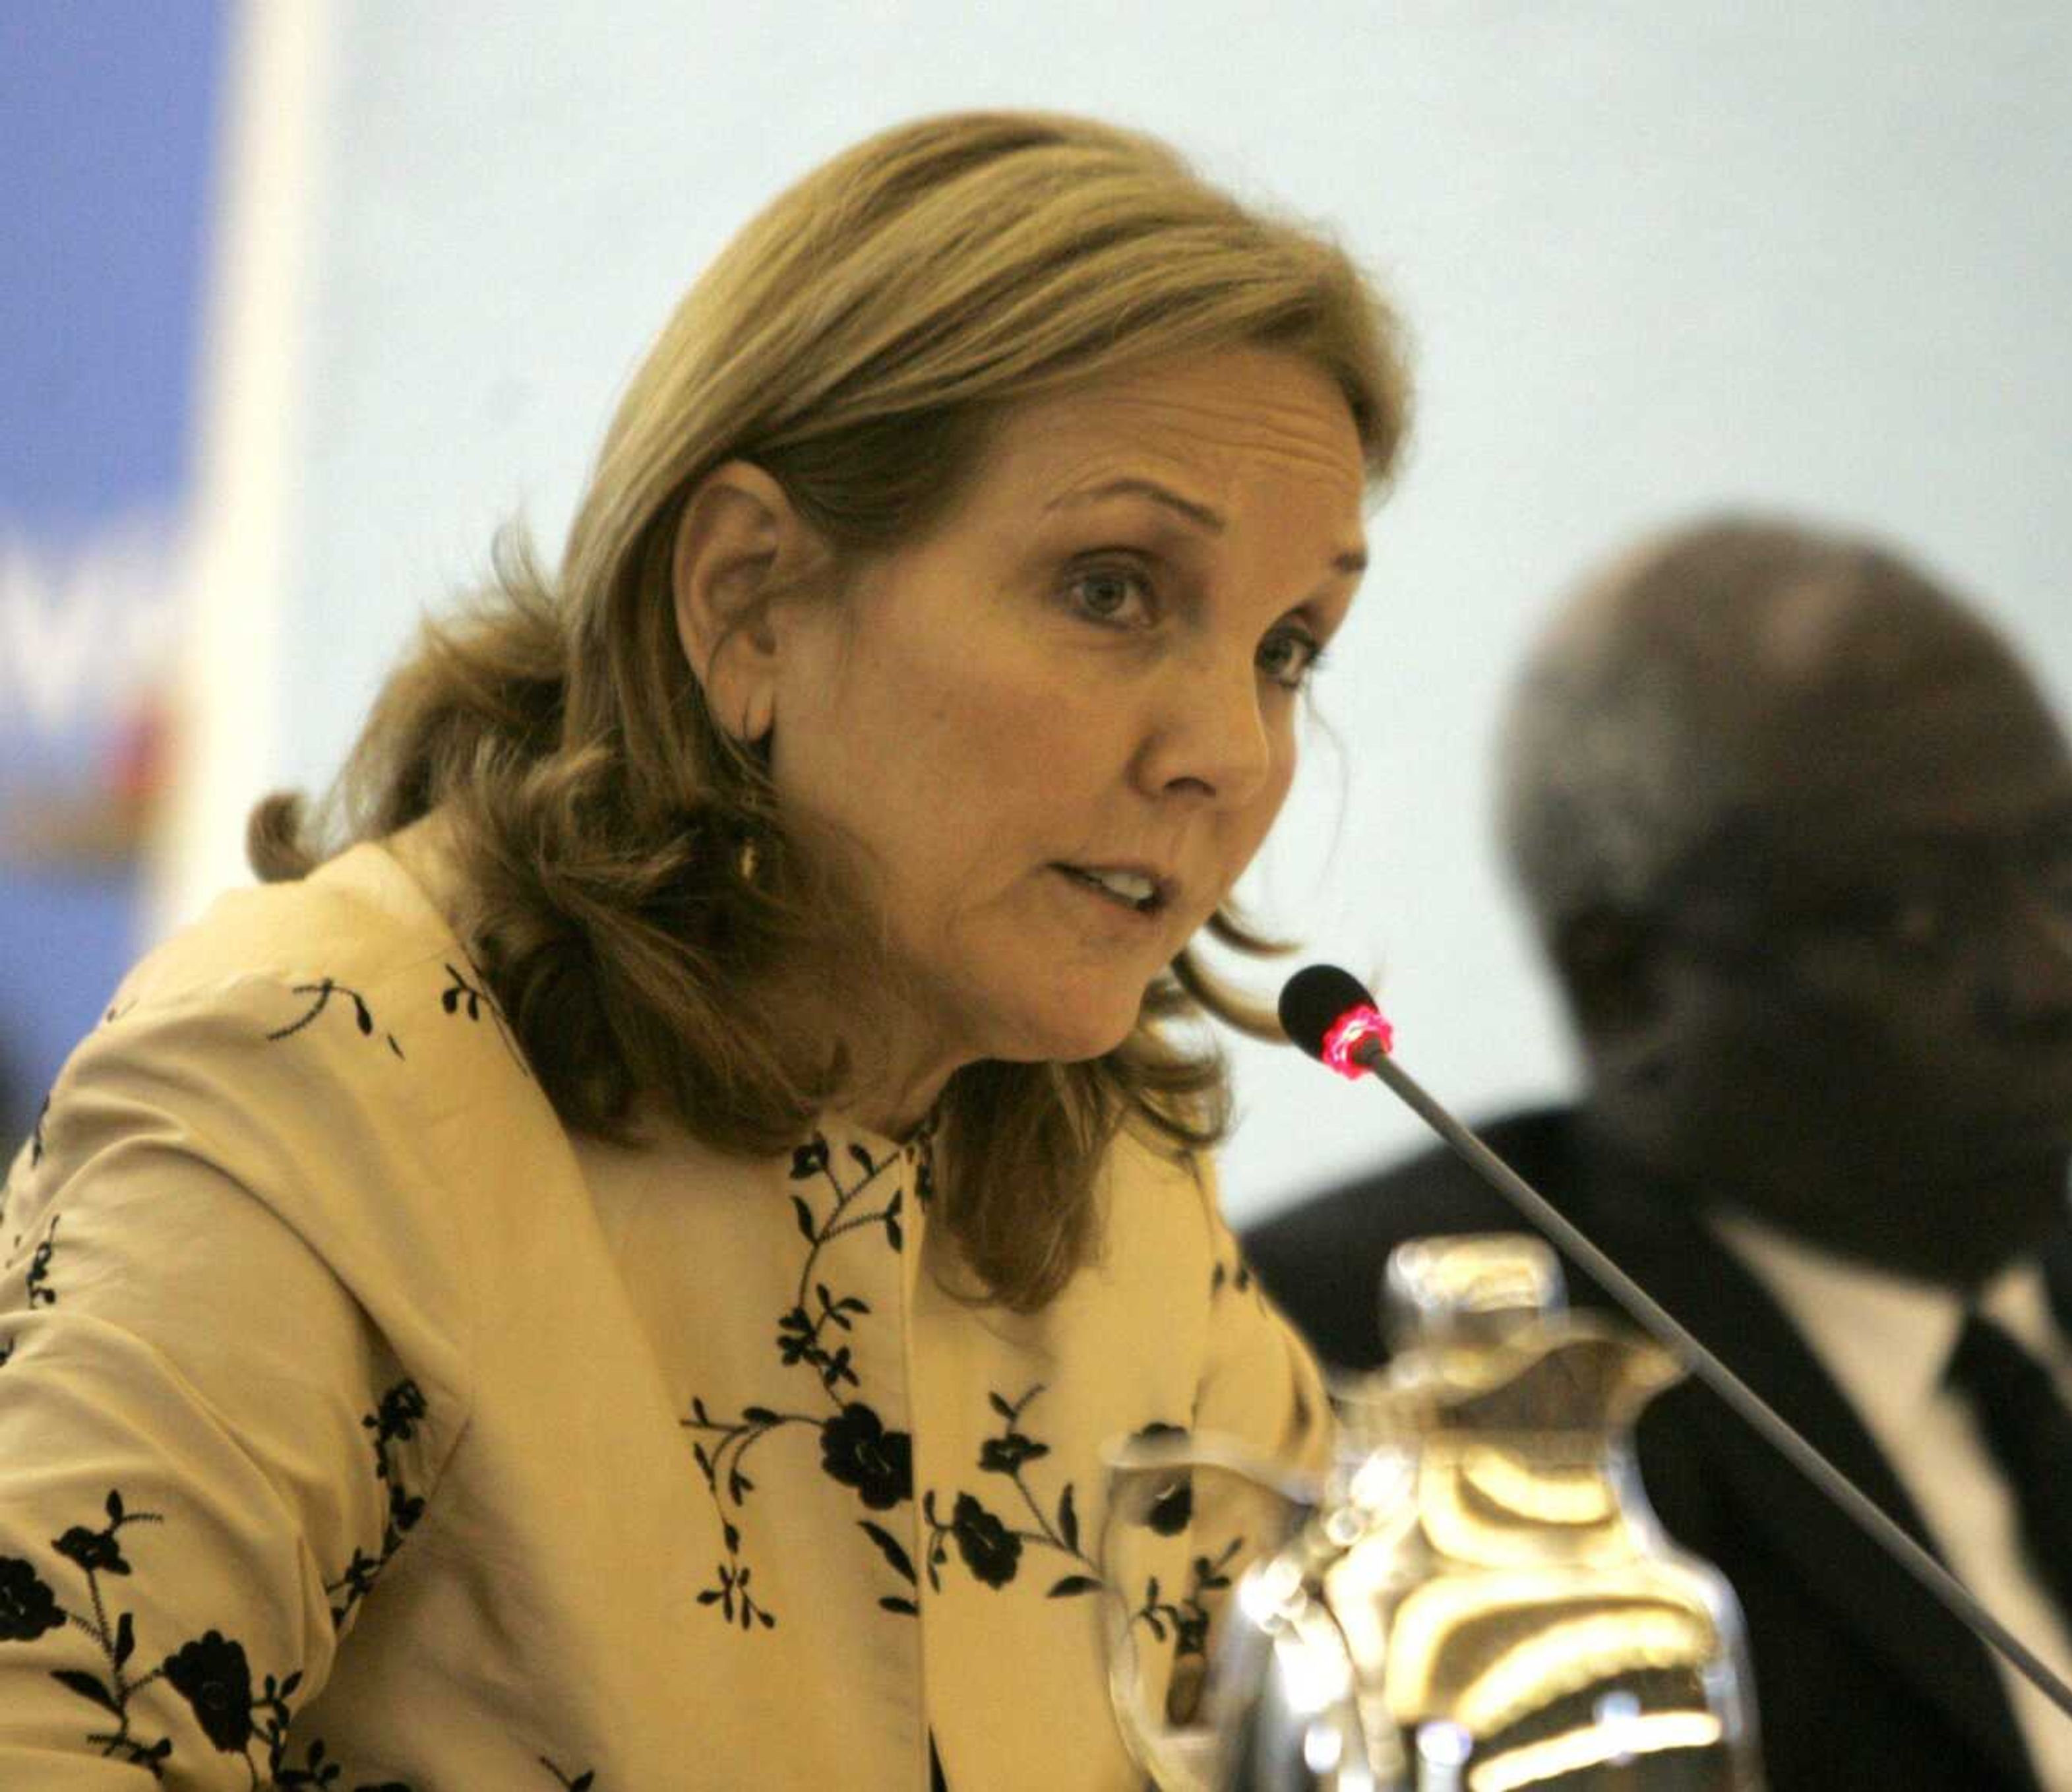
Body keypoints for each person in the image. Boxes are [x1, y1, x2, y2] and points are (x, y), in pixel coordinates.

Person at [0, 111, 1407, 1789]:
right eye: (1113, 590)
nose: (1230, 755)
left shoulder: (1113, 1180)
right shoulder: (326, 1066)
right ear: (751, 603)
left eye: (1287, 648)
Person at [1244, 518, 2072, 1791]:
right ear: (1629, 984)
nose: (2058, 979)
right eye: (1923, 916)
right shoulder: (1401, 1392)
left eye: (2067, 874)